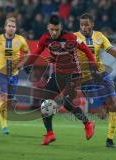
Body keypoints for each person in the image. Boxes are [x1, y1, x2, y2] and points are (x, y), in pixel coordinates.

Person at [24, 14, 97, 145]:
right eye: (52, 29)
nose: (54, 32)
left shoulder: (71, 37)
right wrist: (28, 64)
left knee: (65, 102)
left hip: (74, 74)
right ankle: (50, 133)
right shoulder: (45, 39)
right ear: (48, 27)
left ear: (61, 28)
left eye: (56, 30)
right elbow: (37, 53)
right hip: (58, 74)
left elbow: (86, 50)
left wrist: (93, 64)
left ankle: (88, 124)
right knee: (45, 102)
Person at [74, 13, 116, 148]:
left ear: (92, 24)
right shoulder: (74, 38)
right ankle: (101, 106)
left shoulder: (100, 36)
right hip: (86, 80)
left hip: (102, 75)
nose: (84, 27)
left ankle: (110, 139)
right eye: (81, 25)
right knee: (101, 114)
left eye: (86, 24)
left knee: (113, 105)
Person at [0, 17, 30, 134]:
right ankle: (4, 127)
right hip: (0, 74)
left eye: (13, 26)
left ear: (16, 28)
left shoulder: (21, 40)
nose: (11, 28)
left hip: (14, 75)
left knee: (10, 101)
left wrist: (21, 64)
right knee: (3, 98)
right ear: (5, 27)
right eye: (9, 26)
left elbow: (28, 52)